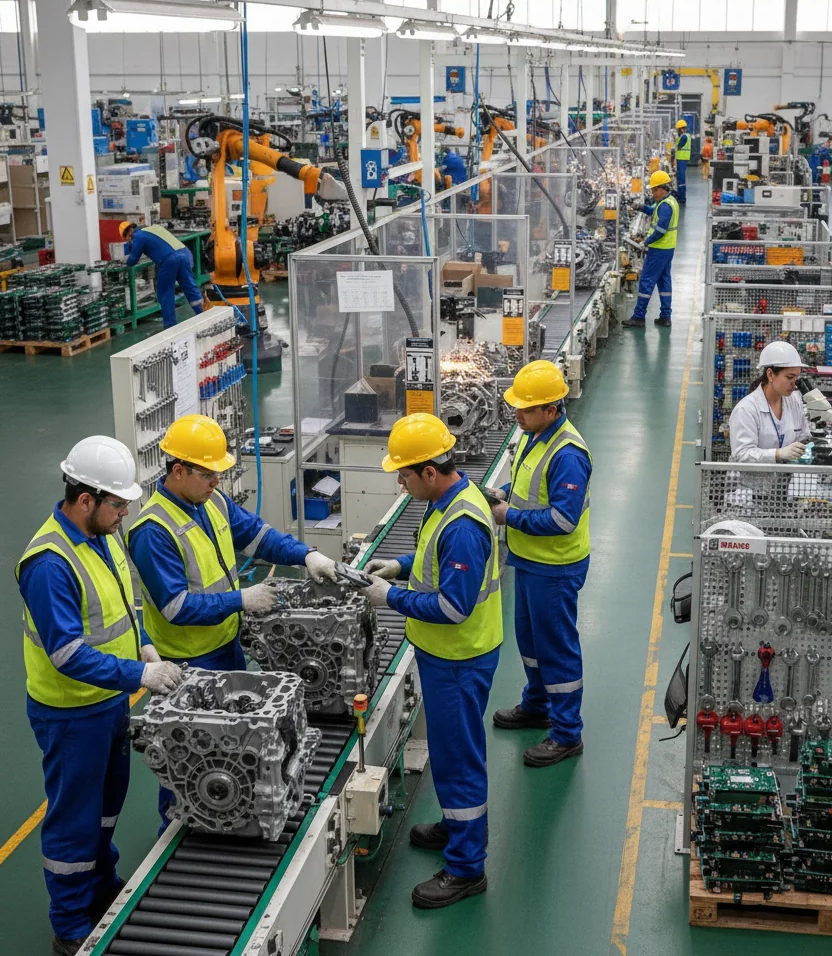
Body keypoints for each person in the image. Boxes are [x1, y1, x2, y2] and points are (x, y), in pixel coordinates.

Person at [125, 413, 339, 830]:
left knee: (233, 748)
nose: (216, 482)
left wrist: (307, 555)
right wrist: (242, 599)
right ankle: (178, 832)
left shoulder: (212, 502)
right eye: (208, 473)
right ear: (179, 471)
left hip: (226, 650)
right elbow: (176, 608)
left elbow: (259, 537)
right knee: (189, 757)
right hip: (185, 666)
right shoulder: (152, 530)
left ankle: (231, 819)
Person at [17, 437, 184, 956]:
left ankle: (103, 892)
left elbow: (118, 608)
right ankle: (70, 926)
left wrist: (146, 647)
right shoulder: (49, 562)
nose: (125, 512)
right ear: (84, 499)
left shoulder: (104, 534)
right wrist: (141, 675)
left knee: (107, 808)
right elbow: (67, 653)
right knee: (74, 820)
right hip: (70, 713)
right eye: (117, 503)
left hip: (108, 701)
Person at [360, 413, 501, 910]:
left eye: (404, 472)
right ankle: (454, 825)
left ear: (429, 471)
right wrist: (397, 568)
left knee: (460, 760)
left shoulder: (461, 523)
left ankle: (466, 869)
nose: (399, 480)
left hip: (460, 658)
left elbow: (453, 606)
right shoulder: (445, 501)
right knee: (447, 753)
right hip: (446, 657)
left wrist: (389, 598)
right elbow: (431, 564)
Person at [487, 360, 592, 768]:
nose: (517, 414)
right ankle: (538, 705)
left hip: (556, 568)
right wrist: (503, 492)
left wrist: (507, 515)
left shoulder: (568, 453)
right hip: (529, 561)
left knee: (557, 650)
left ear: (551, 409)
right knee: (529, 644)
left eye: (526, 409)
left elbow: (563, 520)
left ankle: (567, 734)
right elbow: (532, 484)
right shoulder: (536, 435)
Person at [728, 340, 812, 463]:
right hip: (750, 481)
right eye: (789, 377)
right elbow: (742, 454)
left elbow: (803, 437)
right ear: (771, 374)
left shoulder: (794, 399)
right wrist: (778, 454)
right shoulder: (746, 409)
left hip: (782, 479)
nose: (794, 384)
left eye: (797, 377)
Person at [120, 221, 204, 330]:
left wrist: (123, 263)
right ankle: (202, 314)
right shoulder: (154, 228)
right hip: (184, 255)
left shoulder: (138, 236)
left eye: (126, 238)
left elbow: (133, 260)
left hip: (168, 261)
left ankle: (170, 326)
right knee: (190, 287)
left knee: (165, 293)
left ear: (128, 233)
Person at [622, 170, 679, 330]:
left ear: (662, 189)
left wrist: (645, 242)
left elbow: (660, 230)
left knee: (646, 281)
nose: (653, 193)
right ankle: (665, 316)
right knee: (664, 281)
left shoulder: (666, 206)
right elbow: (653, 211)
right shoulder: (669, 201)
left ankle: (639, 317)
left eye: (654, 190)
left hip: (659, 250)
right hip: (668, 249)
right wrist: (639, 207)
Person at [673, 118, 691, 204]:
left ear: (681, 129)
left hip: (682, 159)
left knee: (681, 178)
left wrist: (676, 139)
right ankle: (680, 194)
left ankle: (682, 197)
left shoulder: (684, 136)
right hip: (681, 159)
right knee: (679, 177)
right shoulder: (685, 136)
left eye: (678, 130)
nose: (678, 131)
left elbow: (679, 146)